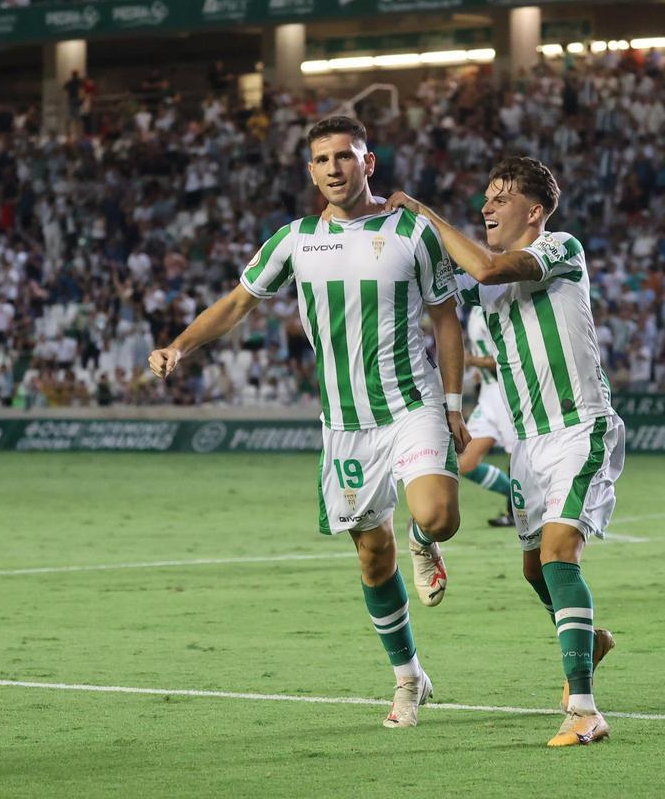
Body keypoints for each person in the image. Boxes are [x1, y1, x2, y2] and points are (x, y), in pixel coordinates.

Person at [148, 116, 468, 729]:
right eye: (321, 160)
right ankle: (409, 679)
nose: (333, 169)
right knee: (374, 560)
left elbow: (446, 320)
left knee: (437, 515)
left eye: (344, 157)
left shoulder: (412, 230)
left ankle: (426, 543)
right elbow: (239, 303)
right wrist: (180, 346)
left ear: (368, 163)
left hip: (411, 403)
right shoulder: (294, 240)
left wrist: (453, 405)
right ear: (311, 170)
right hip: (345, 424)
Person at [385, 156, 623, 748]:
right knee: (533, 567)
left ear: (534, 211)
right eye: (485, 197)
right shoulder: (483, 274)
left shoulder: (560, 247)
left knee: (559, 553)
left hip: (578, 428)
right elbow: (444, 293)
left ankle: (586, 710)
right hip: (527, 442)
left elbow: (489, 268)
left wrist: (421, 210)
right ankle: (588, 638)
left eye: (500, 197)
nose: (486, 206)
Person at [459, 306, 517, 527]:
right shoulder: (474, 309)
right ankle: (516, 498)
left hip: (505, 395)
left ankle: (517, 513)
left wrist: (471, 361)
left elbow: (505, 358)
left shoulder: (494, 308)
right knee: (466, 463)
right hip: (487, 394)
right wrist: (478, 370)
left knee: (516, 456)